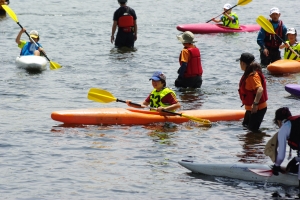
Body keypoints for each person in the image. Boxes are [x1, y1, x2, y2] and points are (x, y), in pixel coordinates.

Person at [236, 53, 268, 132]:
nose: (240, 65)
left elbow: (260, 89)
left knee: (252, 131)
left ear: (243, 63)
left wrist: (255, 103)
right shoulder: (249, 73)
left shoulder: (253, 76)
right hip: (251, 108)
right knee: (245, 127)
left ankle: (258, 142)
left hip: (257, 108)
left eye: (240, 62)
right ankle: (255, 143)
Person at [271, 107, 300, 190]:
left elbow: (281, 156)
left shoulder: (284, 128)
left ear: (279, 121)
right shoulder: (296, 122)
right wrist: (296, 159)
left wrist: (276, 166)